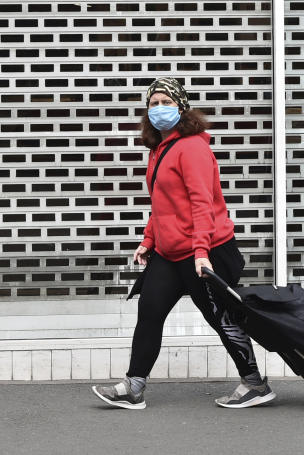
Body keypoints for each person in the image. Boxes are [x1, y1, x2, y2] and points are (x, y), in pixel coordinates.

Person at [92, 77, 274, 410]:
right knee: (149, 312)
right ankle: (134, 386)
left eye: (166, 102)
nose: (159, 109)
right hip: (170, 252)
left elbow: (201, 204)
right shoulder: (160, 149)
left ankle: (255, 384)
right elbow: (163, 203)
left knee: (220, 318)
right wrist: (149, 240)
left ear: (182, 107)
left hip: (203, 251)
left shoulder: (192, 148)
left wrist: (202, 252)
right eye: (153, 103)